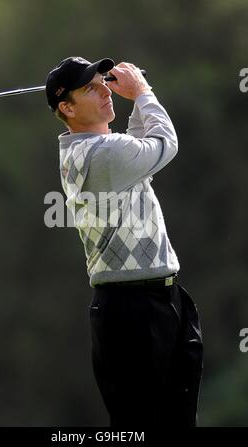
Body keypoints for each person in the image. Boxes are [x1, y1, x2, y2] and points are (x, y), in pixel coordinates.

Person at [45, 56, 203, 427]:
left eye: (103, 82)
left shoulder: (94, 150)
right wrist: (143, 93)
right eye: (90, 89)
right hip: (131, 312)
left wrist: (135, 102)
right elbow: (164, 143)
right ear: (66, 107)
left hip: (162, 300)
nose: (103, 91)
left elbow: (135, 150)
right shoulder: (101, 155)